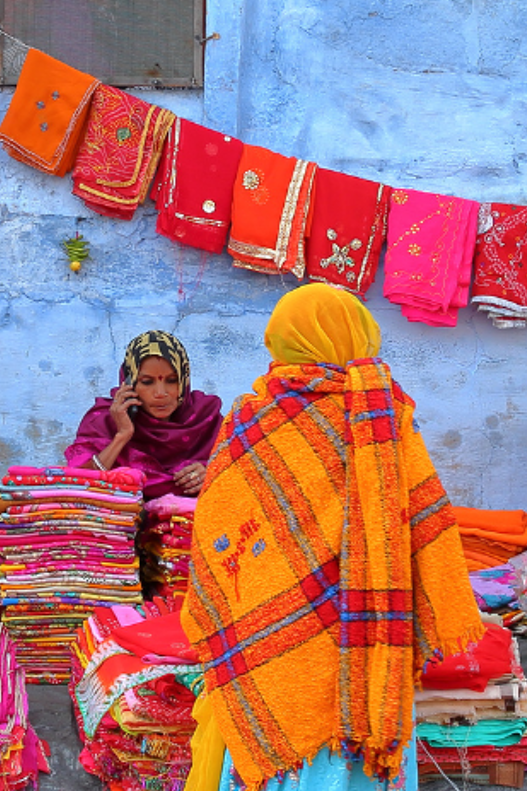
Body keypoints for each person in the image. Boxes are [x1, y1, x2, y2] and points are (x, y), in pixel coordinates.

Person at [181, 284, 482, 791]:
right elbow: (426, 529)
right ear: (357, 335)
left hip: (270, 649)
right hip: (369, 655)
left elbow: (215, 531)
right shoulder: (384, 418)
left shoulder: (249, 424)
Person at [65, 330, 223, 498]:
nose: (161, 393)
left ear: (184, 381)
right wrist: (122, 436)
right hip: (120, 522)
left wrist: (211, 473)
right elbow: (78, 486)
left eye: (172, 380)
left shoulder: (206, 420)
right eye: (147, 382)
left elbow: (240, 478)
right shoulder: (103, 422)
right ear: (129, 383)